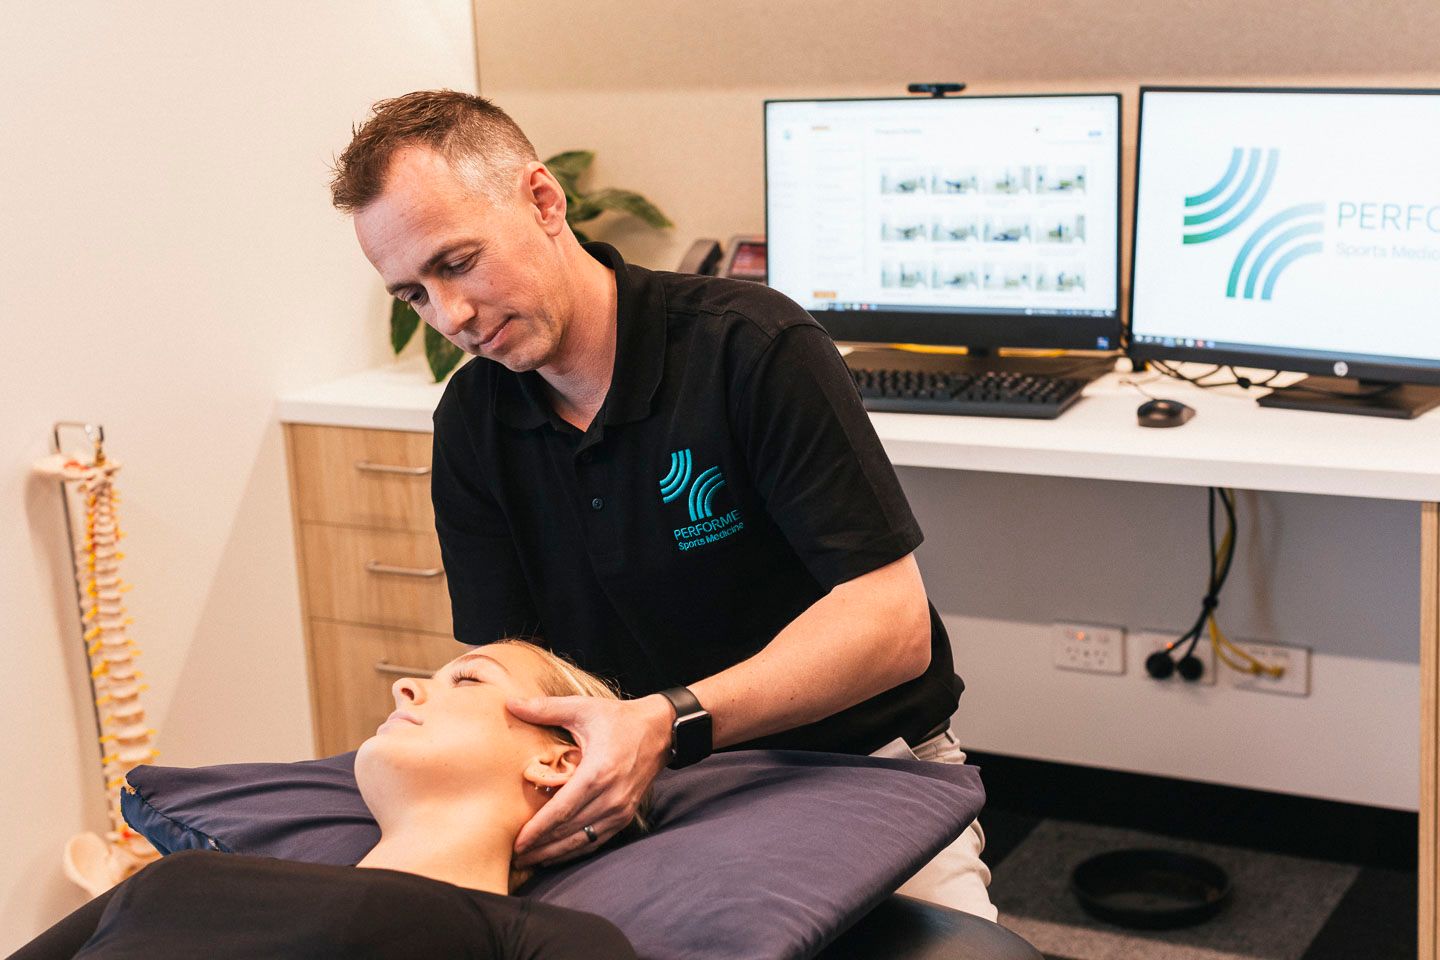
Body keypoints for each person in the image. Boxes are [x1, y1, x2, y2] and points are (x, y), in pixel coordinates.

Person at [330, 89, 995, 920]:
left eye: (458, 263)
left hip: (857, 767)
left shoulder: (749, 348)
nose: (451, 317)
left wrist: (667, 723)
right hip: (645, 795)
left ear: (543, 200)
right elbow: (513, 669)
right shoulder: (474, 421)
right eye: (414, 296)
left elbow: (889, 628)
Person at [9, 641, 643, 960]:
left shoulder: (537, 939)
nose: (404, 688)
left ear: (558, 763)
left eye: (469, 677)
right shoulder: (180, 877)